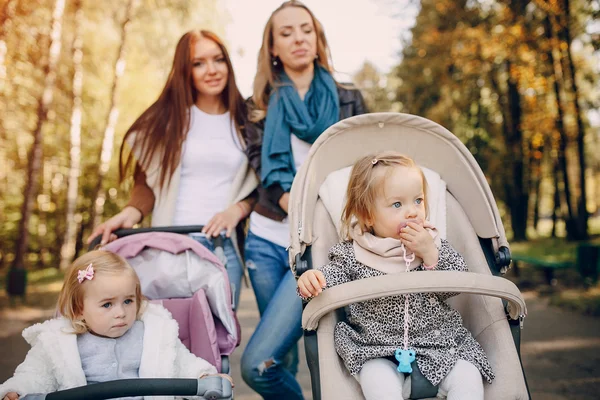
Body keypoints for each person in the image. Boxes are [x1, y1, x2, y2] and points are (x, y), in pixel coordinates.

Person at [240, 1, 367, 398]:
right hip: (265, 242)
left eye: (306, 30)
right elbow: (265, 175)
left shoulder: (348, 99)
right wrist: (297, 208)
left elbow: (364, 170)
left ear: (317, 39)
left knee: (265, 362)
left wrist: (312, 218)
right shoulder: (257, 106)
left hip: (323, 245)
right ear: (272, 47)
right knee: (282, 358)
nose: (298, 38)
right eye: (286, 32)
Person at [297, 151, 495, 400]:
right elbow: (331, 278)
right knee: (378, 383)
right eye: (398, 204)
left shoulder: (432, 243)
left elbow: (455, 283)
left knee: (468, 376)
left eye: (418, 201)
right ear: (367, 215)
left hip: (439, 344)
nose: (412, 212)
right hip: (377, 349)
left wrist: (430, 254)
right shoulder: (354, 253)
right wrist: (312, 279)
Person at [87, 30, 257, 308]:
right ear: (184, 70)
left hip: (222, 248)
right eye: (198, 63)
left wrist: (237, 210)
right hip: (170, 246)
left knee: (219, 346)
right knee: (169, 341)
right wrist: (129, 213)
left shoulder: (248, 121)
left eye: (218, 60)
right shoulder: (168, 122)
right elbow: (147, 184)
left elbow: (260, 186)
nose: (212, 70)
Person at [0, 250, 232, 400]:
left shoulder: (153, 334)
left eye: (128, 301)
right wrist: (17, 390)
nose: (121, 313)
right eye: (107, 305)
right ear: (79, 308)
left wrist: (204, 376)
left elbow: (182, 363)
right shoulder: (58, 343)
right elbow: (35, 374)